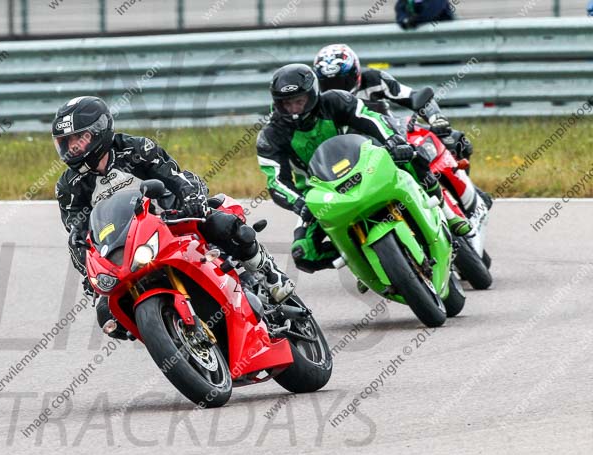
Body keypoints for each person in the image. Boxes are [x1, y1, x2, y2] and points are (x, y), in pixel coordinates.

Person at [54, 96, 294, 338]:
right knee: (107, 315)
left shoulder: (136, 149)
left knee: (223, 225)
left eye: (78, 138)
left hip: (172, 222)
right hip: (126, 248)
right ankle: (167, 333)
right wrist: (91, 277)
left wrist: (191, 199)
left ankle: (270, 274)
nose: (71, 147)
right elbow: (80, 237)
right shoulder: (68, 187)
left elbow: (177, 178)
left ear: (99, 130)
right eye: (65, 142)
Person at [256, 64, 470, 274]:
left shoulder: (335, 101)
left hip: (363, 163)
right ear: (277, 103)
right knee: (303, 254)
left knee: (412, 156)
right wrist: (300, 203)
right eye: (287, 104)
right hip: (320, 196)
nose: (294, 109)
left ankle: (449, 214)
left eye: (299, 101)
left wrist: (394, 141)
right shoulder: (270, 135)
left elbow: (371, 118)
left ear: (311, 95)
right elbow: (276, 181)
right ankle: (366, 261)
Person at [313, 44, 492, 216]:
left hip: (396, 137)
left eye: (341, 81)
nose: (337, 88)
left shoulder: (374, 80)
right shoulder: (318, 105)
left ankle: (469, 194)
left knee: (454, 140)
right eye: (329, 84)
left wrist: (435, 118)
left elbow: (414, 96)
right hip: (357, 155)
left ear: (356, 73)